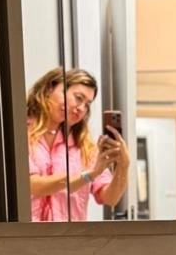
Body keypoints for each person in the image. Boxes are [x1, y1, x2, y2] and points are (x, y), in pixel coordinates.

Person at [26, 67, 131, 222]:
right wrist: (89, 175)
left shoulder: (84, 147)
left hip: (71, 235)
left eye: (87, 104)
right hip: (27, 234)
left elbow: (110, 198)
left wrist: (124, 165)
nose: (81, 108)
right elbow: (33, 186)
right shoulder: (21, 135)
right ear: (49, 89)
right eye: (78, 98)